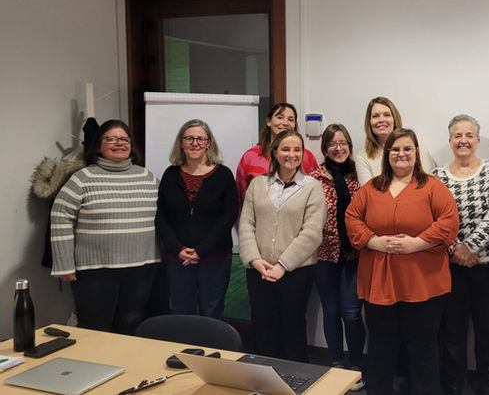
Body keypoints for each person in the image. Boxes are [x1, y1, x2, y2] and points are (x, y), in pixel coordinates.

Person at [345, 128, 459, 395]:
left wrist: (417, 243)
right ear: (387, 154)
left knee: (423, 348)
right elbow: (352, 218)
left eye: (407, 148)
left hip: (423, 283)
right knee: (381, 347)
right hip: (379, 284)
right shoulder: (371, 188)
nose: (401, 154)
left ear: (416, 152)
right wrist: (372, 240)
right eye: (395, 149)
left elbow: (449, 221)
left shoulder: (433, 186)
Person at [50, 119, 160, 334]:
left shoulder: (147, 177)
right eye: (111, 139)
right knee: (94, 328)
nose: (119, 143)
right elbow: (60, 217)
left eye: (124, 139)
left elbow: (165, 216)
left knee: (130, 326)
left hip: (142, 267)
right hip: (95, 271)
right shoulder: (82, 178)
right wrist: (64, 264)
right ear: (99, 145)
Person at [432, 115, 489, 395]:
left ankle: (485, 384)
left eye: (469, 135)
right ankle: (453, 385)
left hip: (486, 267)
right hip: (450, 266)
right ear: (450, 141)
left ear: (477, 140)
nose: (463, 140)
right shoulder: (437, 176)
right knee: (452, 330)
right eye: (457, 136)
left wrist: (469, 247)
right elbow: (435, 217)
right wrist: (454, 248)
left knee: (488, 330)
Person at [238, 130, 324, 362]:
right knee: (263, 327)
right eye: (285, 149)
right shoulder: (258, 184)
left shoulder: (312, 187)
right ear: (275, 152)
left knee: (293, 328)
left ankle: (295, 378)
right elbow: (246, 223)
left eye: (297, 149)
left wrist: (283, 265)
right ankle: (263, 377)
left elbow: (312, 232)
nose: (291, 154)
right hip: (259, 270)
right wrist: (255, 260)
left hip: (296, 272)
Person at [155, 119, 238, 319]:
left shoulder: (223, 175)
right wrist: (178, 249)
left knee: (212, 313)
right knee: (182, 314)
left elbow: (228, 216)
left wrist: (201, 250)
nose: (195, 143)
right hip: (178, 259)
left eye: (201, 139)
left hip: (215, 258)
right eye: (189, 138)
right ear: (181, 143)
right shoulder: (170, 175)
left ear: (209, 143)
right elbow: (162, 217)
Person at [309, 124, 366, 391]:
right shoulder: (314, 178)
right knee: (331, 311)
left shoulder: (359, 176)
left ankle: (356, 366)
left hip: (355, 256)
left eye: (343, 143)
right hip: (324, 255)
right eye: (332, 143)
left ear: (350, 146)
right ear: (325, 148)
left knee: (352, 314)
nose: (338, 148)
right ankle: (336, 363)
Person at [236, 102, 318, 205]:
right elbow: (241, 198)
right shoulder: (250, 157)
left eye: (291, 119)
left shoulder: (306, 157)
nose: (285, 123)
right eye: (280, 117)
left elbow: (314, 194)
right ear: (268, 122)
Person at [355, 96, 436, 185]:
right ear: (369, 122)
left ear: (394, 119)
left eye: (387, 115)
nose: (381, 120)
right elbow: (367, 191)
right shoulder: (362, 157)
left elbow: (431, 184)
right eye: (375, 116)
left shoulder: (418, 148)